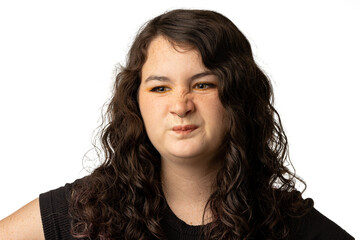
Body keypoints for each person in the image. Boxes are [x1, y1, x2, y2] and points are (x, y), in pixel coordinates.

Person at [0, 9, 354, 240]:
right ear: (136, 101)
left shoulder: (290, 226)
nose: (180, 106)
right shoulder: (91, 209)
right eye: (160, 87)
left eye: (203, 84)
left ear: (237, 96)